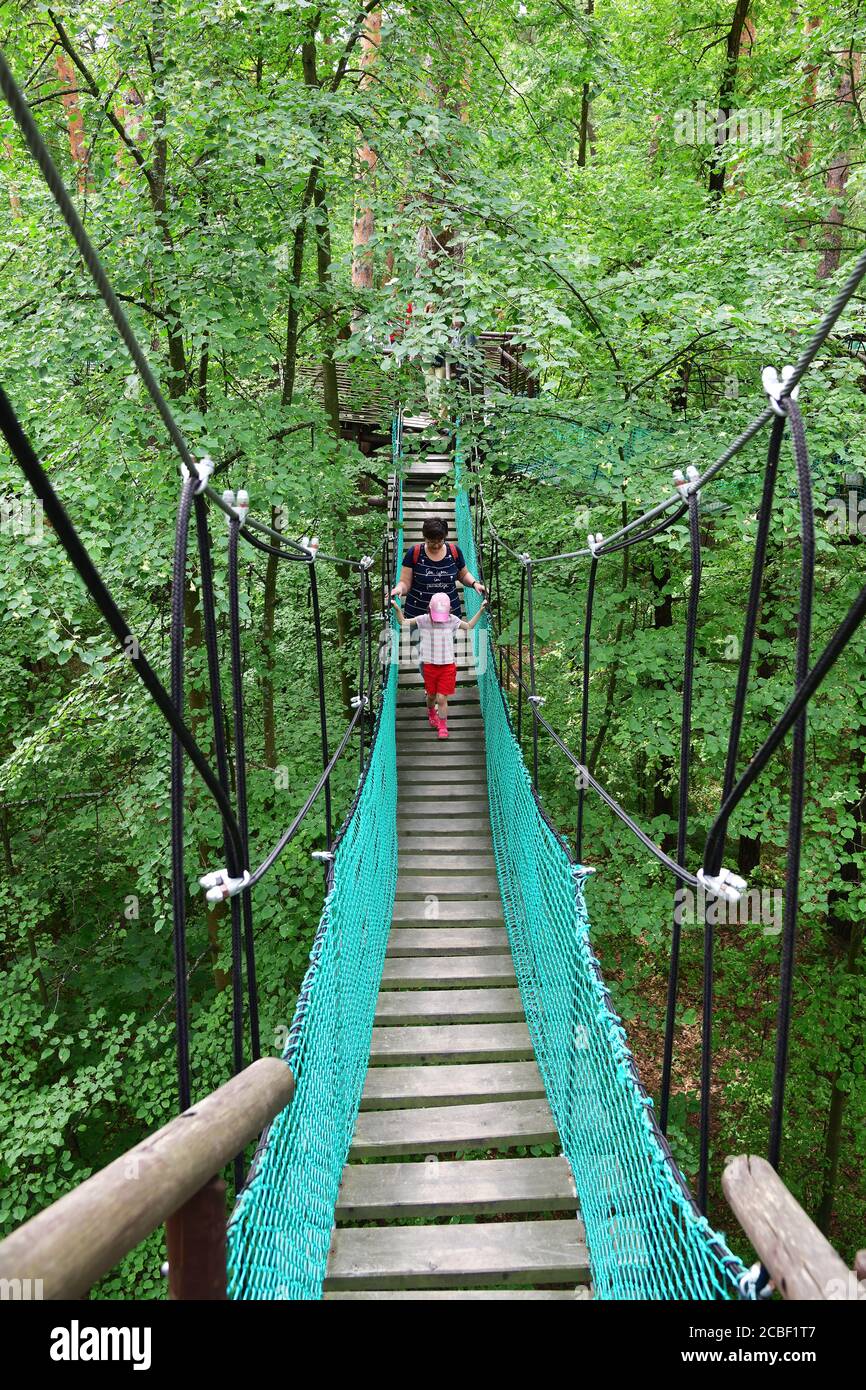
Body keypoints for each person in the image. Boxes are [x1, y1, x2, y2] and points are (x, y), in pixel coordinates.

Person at [392, 592, 487, 738]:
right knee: (431, 696)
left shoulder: (452, 620)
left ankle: (443, 726)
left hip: (447, 666)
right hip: (430, 666)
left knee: (441, 698)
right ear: (429, 609)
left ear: (449, 610)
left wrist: (481, 610)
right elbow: (403, 622)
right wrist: (397, 608)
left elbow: (468, 626)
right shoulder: (423, 620)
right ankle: (431, 712)